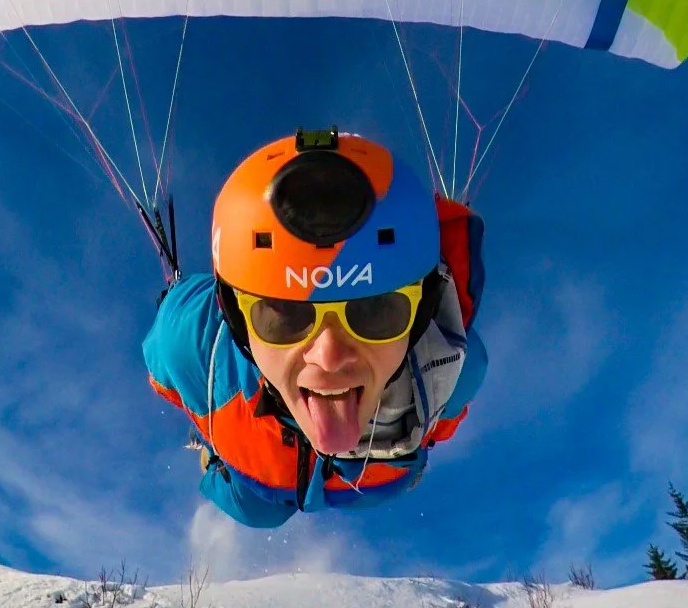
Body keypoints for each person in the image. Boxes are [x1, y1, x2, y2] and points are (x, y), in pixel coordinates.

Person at [143, 128, 487, 528]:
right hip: (262, 475)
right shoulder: (190, 344)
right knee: (255, 510)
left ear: (422, 312)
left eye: (376, 312)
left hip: (372, 478)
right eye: (284, 318)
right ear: (237, 321)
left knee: (376, 489)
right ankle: (213, 454)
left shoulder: (456, 368)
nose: (329, 356)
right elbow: (164, 361)